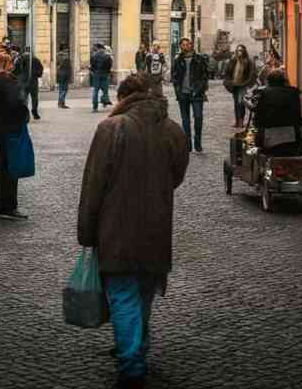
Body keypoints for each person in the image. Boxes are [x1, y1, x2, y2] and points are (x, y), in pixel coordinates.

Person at [78, 74, 189, 389]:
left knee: (124, 295)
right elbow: (176, 175)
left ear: (123, 97)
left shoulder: (111, 129)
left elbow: (93, 185)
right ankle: (136, 349)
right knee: (142, 294)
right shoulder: (172, 131)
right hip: (156, 225)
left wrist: (87, 231)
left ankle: (132, 367)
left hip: (117, 228)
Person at [0, 51, 30, 220]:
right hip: (9, 129)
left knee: (2, 167)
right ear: (3, 65)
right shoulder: (4, 81)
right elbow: (15, 103)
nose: (12, 66)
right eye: (9, 63)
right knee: (10, 168)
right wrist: (24, 115)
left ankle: (0, 206)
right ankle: (8, 207)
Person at [250, 69, 302, 157]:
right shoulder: (293, 92)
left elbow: (259, 114)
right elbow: (297, 113)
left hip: (269, 131)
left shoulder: (264, 93)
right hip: (292, 132)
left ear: (268, 81)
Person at [170, 38, 210, 153]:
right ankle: (187, 144)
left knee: (198, 117)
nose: (185, 46)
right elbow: (175, 77)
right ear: (180, 47)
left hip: (196, 93)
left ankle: (197, 142)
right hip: (183, 94)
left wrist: (200, 89)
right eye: (183, 45)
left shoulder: (199, 59)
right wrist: (177, 90)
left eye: (187, 44)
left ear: (191, 45)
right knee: (185, 120)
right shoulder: (178, 60)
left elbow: (204, 76)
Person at [223, 44, 258, 128]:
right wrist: (228, 82)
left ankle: (241, 122)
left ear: (244, 51)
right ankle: (237, 121)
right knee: (236, 104)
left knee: (240, 103)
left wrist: (247, 84)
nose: (239, 52)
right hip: (235, 86)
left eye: (241, 50)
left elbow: (252, 74)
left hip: (243, 85)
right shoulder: (233, 60)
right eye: (238, 50)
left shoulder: (248, 61)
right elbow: (228, 72)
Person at [12, 47, 44, 120]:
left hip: (22, 82)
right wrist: (36, 75)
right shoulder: (35, 59)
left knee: (24, 99)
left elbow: (15, 71)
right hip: (33, 82)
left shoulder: (20, 59)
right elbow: (40, 71)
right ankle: (34, 111)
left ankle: (25, 114)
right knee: (34, 98)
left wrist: (17, 77)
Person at [90, 43, 114, 112]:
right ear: (103, 48)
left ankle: (95, 107)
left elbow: (92, 66)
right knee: (105, 90)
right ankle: (104, 101)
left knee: (95, 91)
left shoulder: (94, 56)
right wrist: (108, 72)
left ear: (98, 48)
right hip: (105, 75)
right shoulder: (107, 56)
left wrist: (93, 71)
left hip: (96, 75)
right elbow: (110, 65)